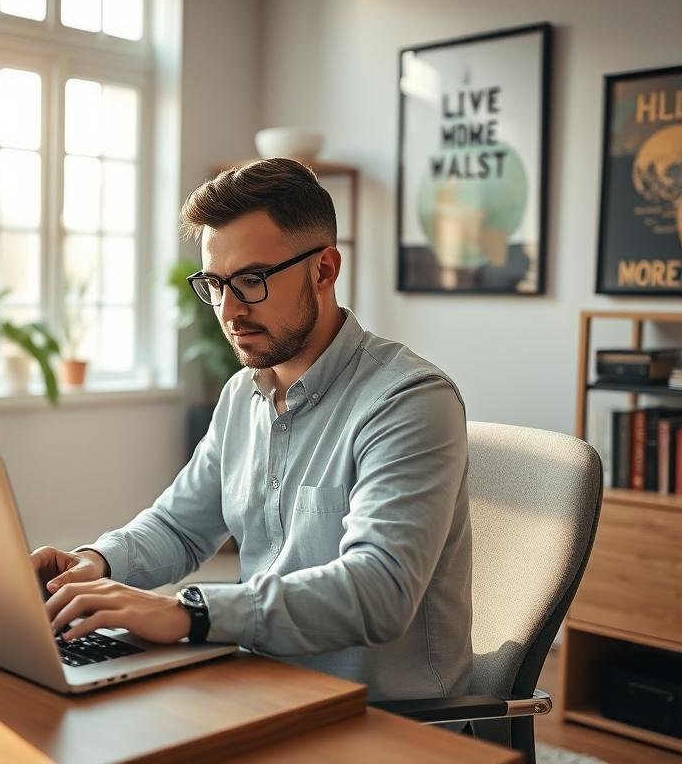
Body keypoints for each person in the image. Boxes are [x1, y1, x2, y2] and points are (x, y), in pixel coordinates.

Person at [33, 157, 472, 702]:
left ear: (324, 270)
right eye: (214, 284)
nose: (229, 310)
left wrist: (188, 612)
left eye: (252, 280)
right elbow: (179, 528)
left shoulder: (408, 401)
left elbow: (379, 590)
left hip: (378, 721)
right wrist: (94, 564)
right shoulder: (244, 393)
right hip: (256, 686)